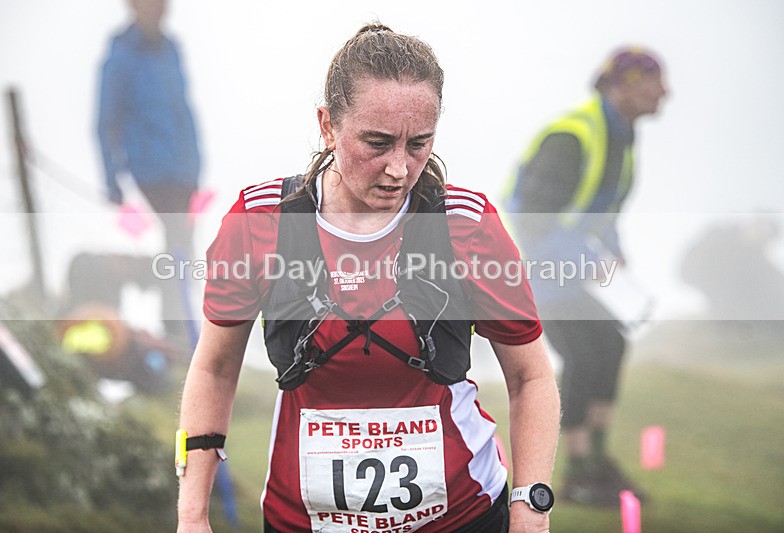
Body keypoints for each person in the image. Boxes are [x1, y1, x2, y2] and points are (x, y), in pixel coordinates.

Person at [177, 24, 560, 533]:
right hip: (304, 522)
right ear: (328, 126)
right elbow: (215, 368)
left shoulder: (466, 224)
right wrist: (192, 516)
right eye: (377, 143)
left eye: (419, 143)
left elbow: (531, 377)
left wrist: (529, 512)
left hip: (462, 515)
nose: (400, 169)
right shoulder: (260, 220)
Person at [504, 48, 668, 506]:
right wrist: (582, 256)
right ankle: (578, 474)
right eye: (657, 80)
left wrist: (615, 252)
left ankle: (594, 464)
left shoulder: (621, 138)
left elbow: (600, 208)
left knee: (609, 345)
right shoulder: (573, 136)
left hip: (569, 273)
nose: (667, 92)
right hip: (534, 271)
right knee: (583, 353)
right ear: (625, 83)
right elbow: (532, 219)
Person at [96, 0, 201, 339]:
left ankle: (180, 326)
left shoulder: (172, 50)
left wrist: (196, 162)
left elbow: (184, 110)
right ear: (134, 6)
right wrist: (112, 178)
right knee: (177, 245)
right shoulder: (120, 57)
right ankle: (180, 331)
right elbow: (105, 121)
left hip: (183, 169)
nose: (157, 8)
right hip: (149, 169)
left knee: (180, 246)